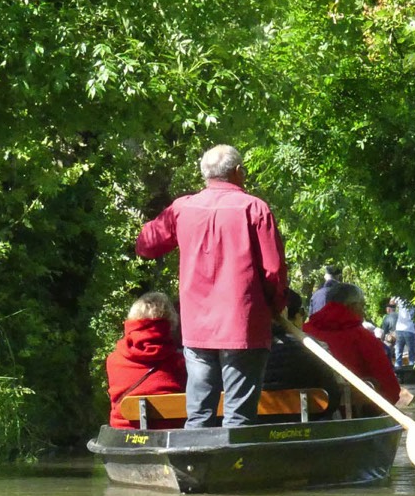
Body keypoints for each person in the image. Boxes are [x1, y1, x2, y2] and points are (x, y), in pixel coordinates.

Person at [135, 144, 288, 428]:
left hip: (197, 327)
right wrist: (275, 307)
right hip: (244, 325)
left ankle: (196, 467)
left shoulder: (183, 208)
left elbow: (146, 244)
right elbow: (274, 271)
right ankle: (233, 468)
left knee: (199, 415)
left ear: (205, 174)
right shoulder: (255, 208)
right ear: (238, 172)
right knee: (239, 417)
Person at [303, 282, 401, 408]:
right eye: (363, 306)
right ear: (353, 306)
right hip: (352, 412)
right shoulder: (364, 337)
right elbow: (391, 391)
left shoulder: (304, 331)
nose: (363, 311)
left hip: (308, 410)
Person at [106, 292, 188, 429]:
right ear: (170, 323)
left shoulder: (113, 360)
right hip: (171, 436)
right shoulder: (182, 362)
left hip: (125, 435)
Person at [263, 287, 342, 411]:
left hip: (257, 426)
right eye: (302, 312)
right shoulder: (314, 347)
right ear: (286, 312)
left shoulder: (242, 351)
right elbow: (333, 397)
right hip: (309, 426)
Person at [393, 297, 415, 369]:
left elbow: (392, 301)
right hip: (409, 329)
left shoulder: (400, 299)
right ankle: (412, 370)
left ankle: (398, 370)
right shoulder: (414, 301)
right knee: (411, 353)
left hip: (399, 329)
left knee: (398, 353)